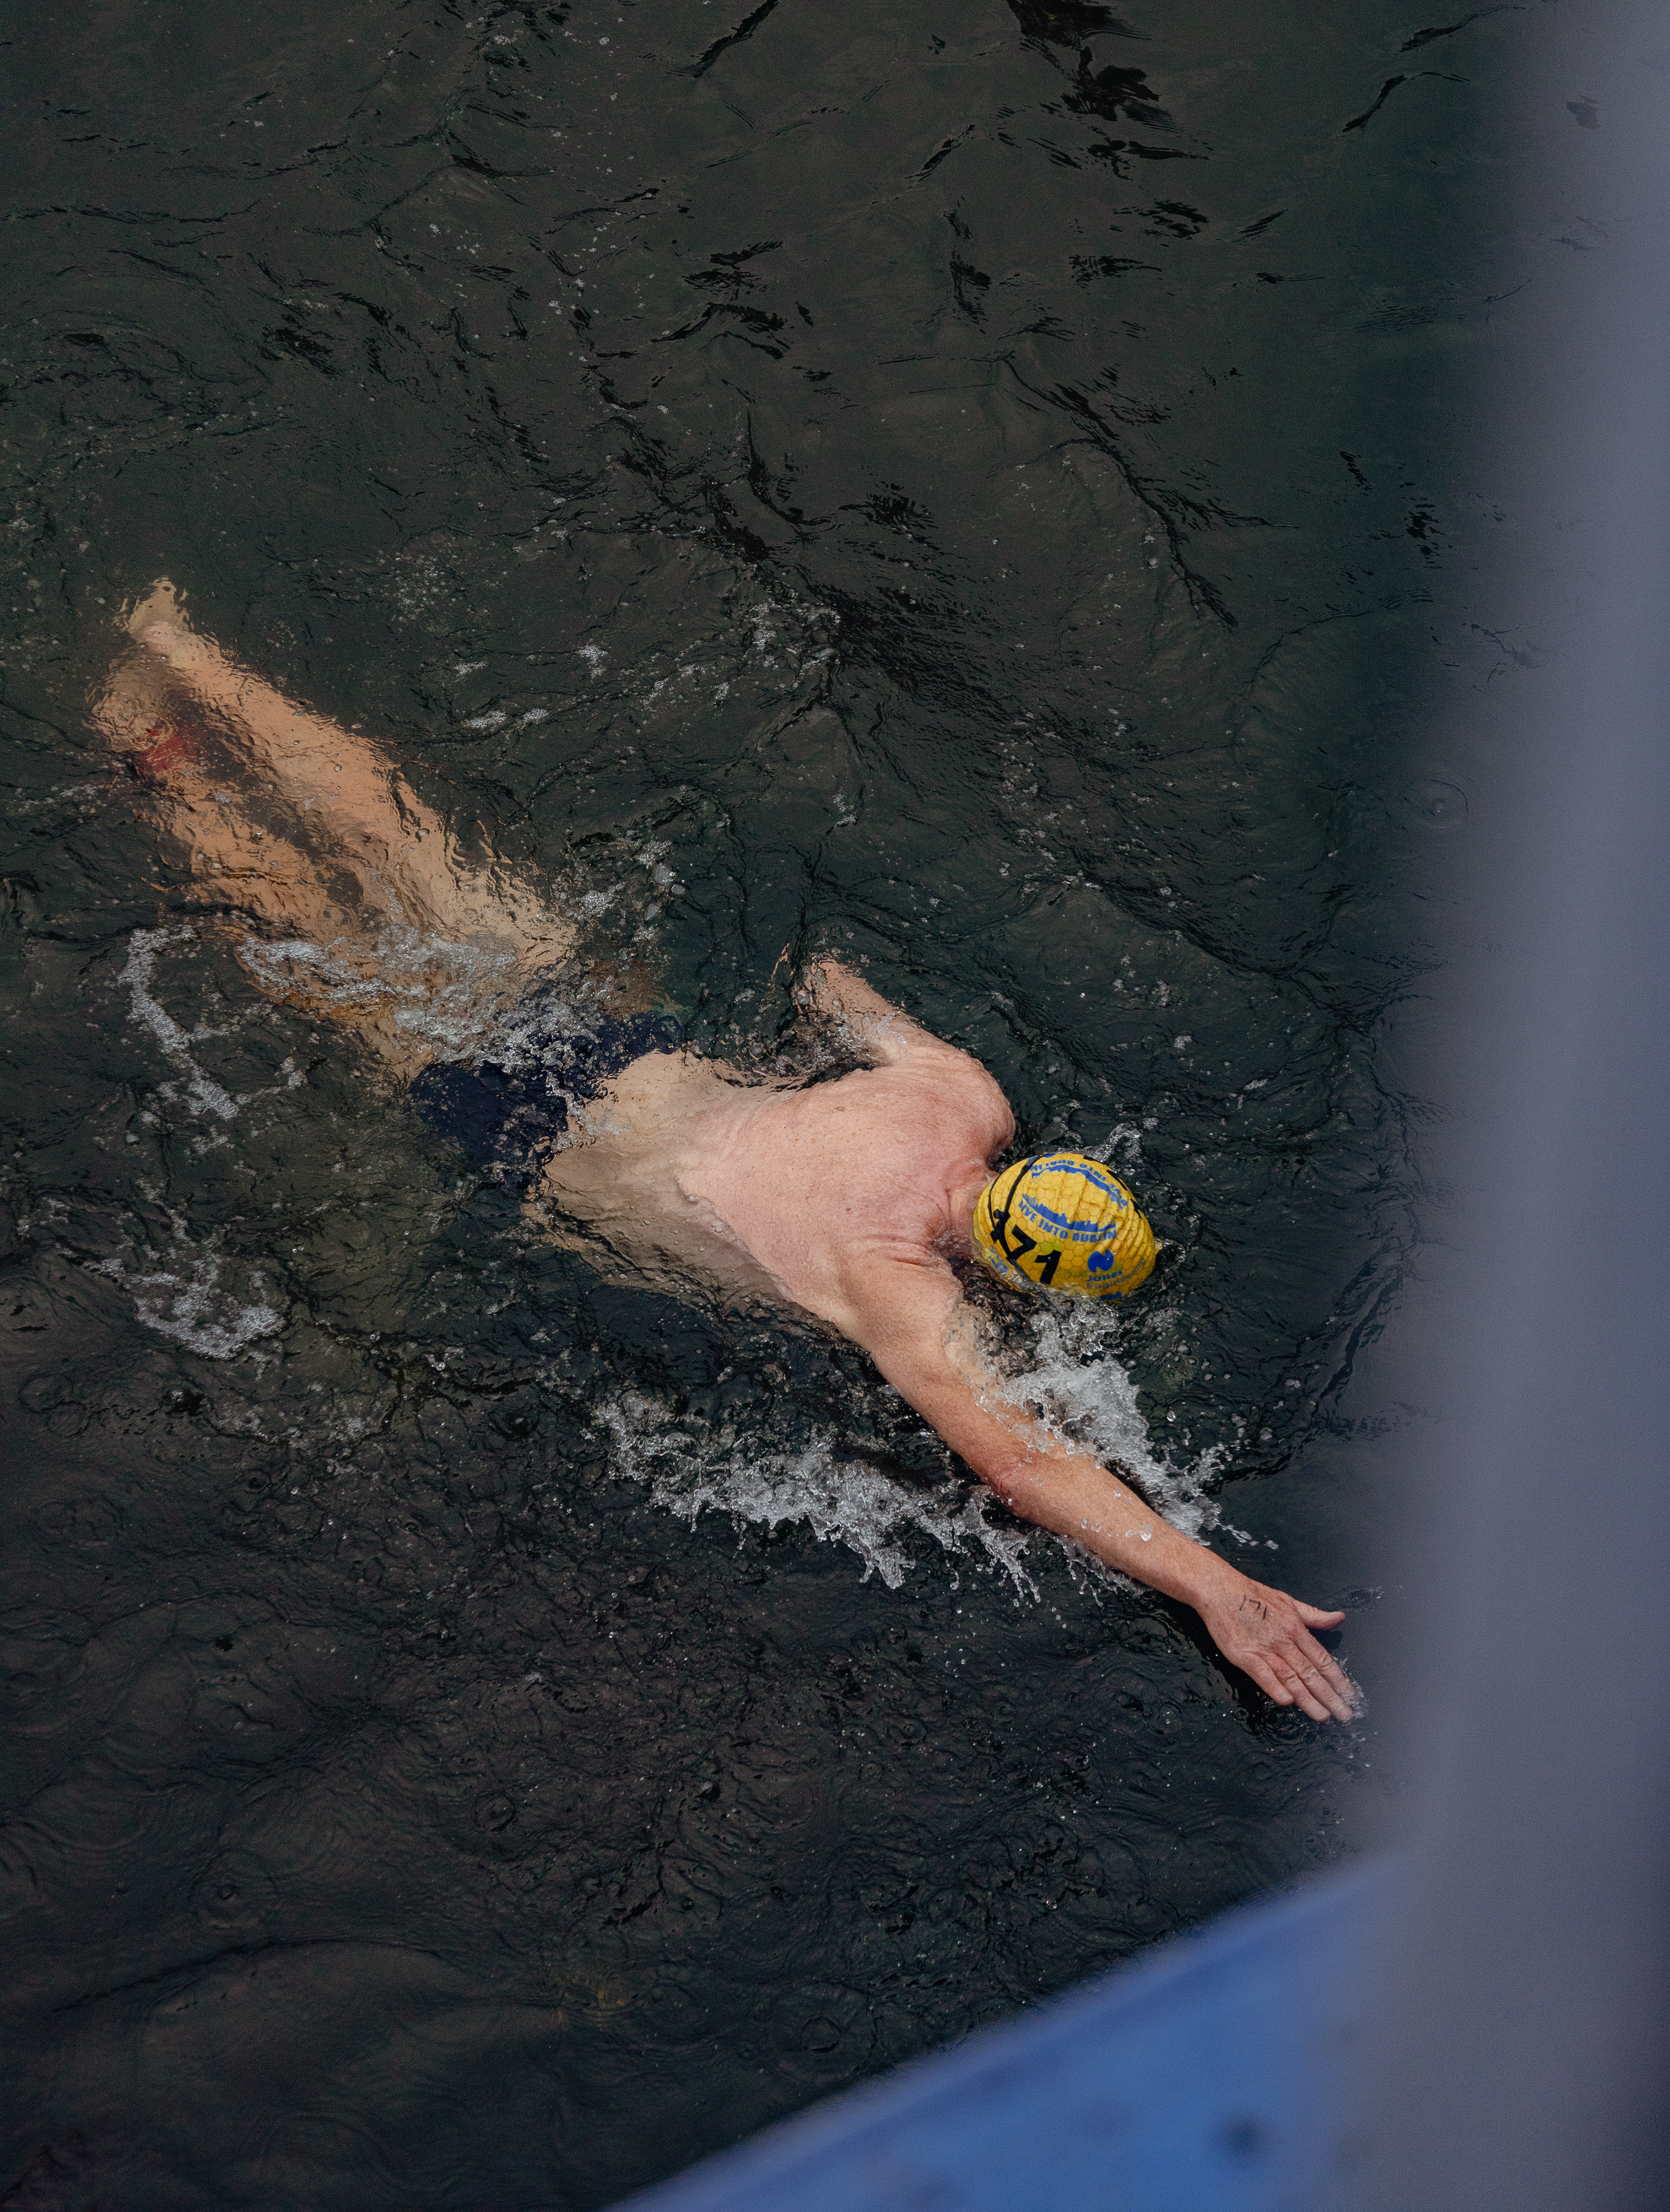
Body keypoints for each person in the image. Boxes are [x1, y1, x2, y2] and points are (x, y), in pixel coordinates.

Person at [96, 583, 1356, 1723]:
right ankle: (154, 759)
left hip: (604, 1031)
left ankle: (179, 646)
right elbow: (1025, 1466)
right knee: (304, 923)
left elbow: (830, 985)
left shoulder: (957, 1097)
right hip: (528, 1132)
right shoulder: (894, 1281)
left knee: (395, 834)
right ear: (1020, 1273)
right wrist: (1216, 1587)